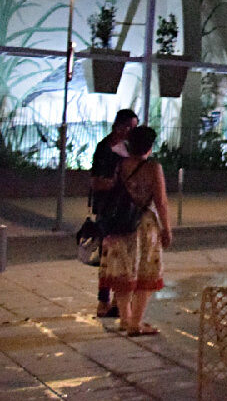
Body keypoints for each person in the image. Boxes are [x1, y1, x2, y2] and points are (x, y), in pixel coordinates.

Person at [98, 125, 171, 336]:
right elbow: (161, 202)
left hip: (119, 224)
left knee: (123, 273)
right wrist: (167, 229)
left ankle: (125, 318)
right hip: (143, 225)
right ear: (149, 147)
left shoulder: (120, 165)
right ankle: (135, 323)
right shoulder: (153, 168)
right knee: (145, 275)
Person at [90, 109, 138, 319]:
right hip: (109, 209)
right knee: (108, 256)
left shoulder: (129, 148)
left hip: (128, 210)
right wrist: (116, 182)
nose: (133, 132)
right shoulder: (105, 148)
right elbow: (96, 181)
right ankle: (103, 301)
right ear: (121, 126)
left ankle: (118, 301)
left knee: (124, 258)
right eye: (132, 127)